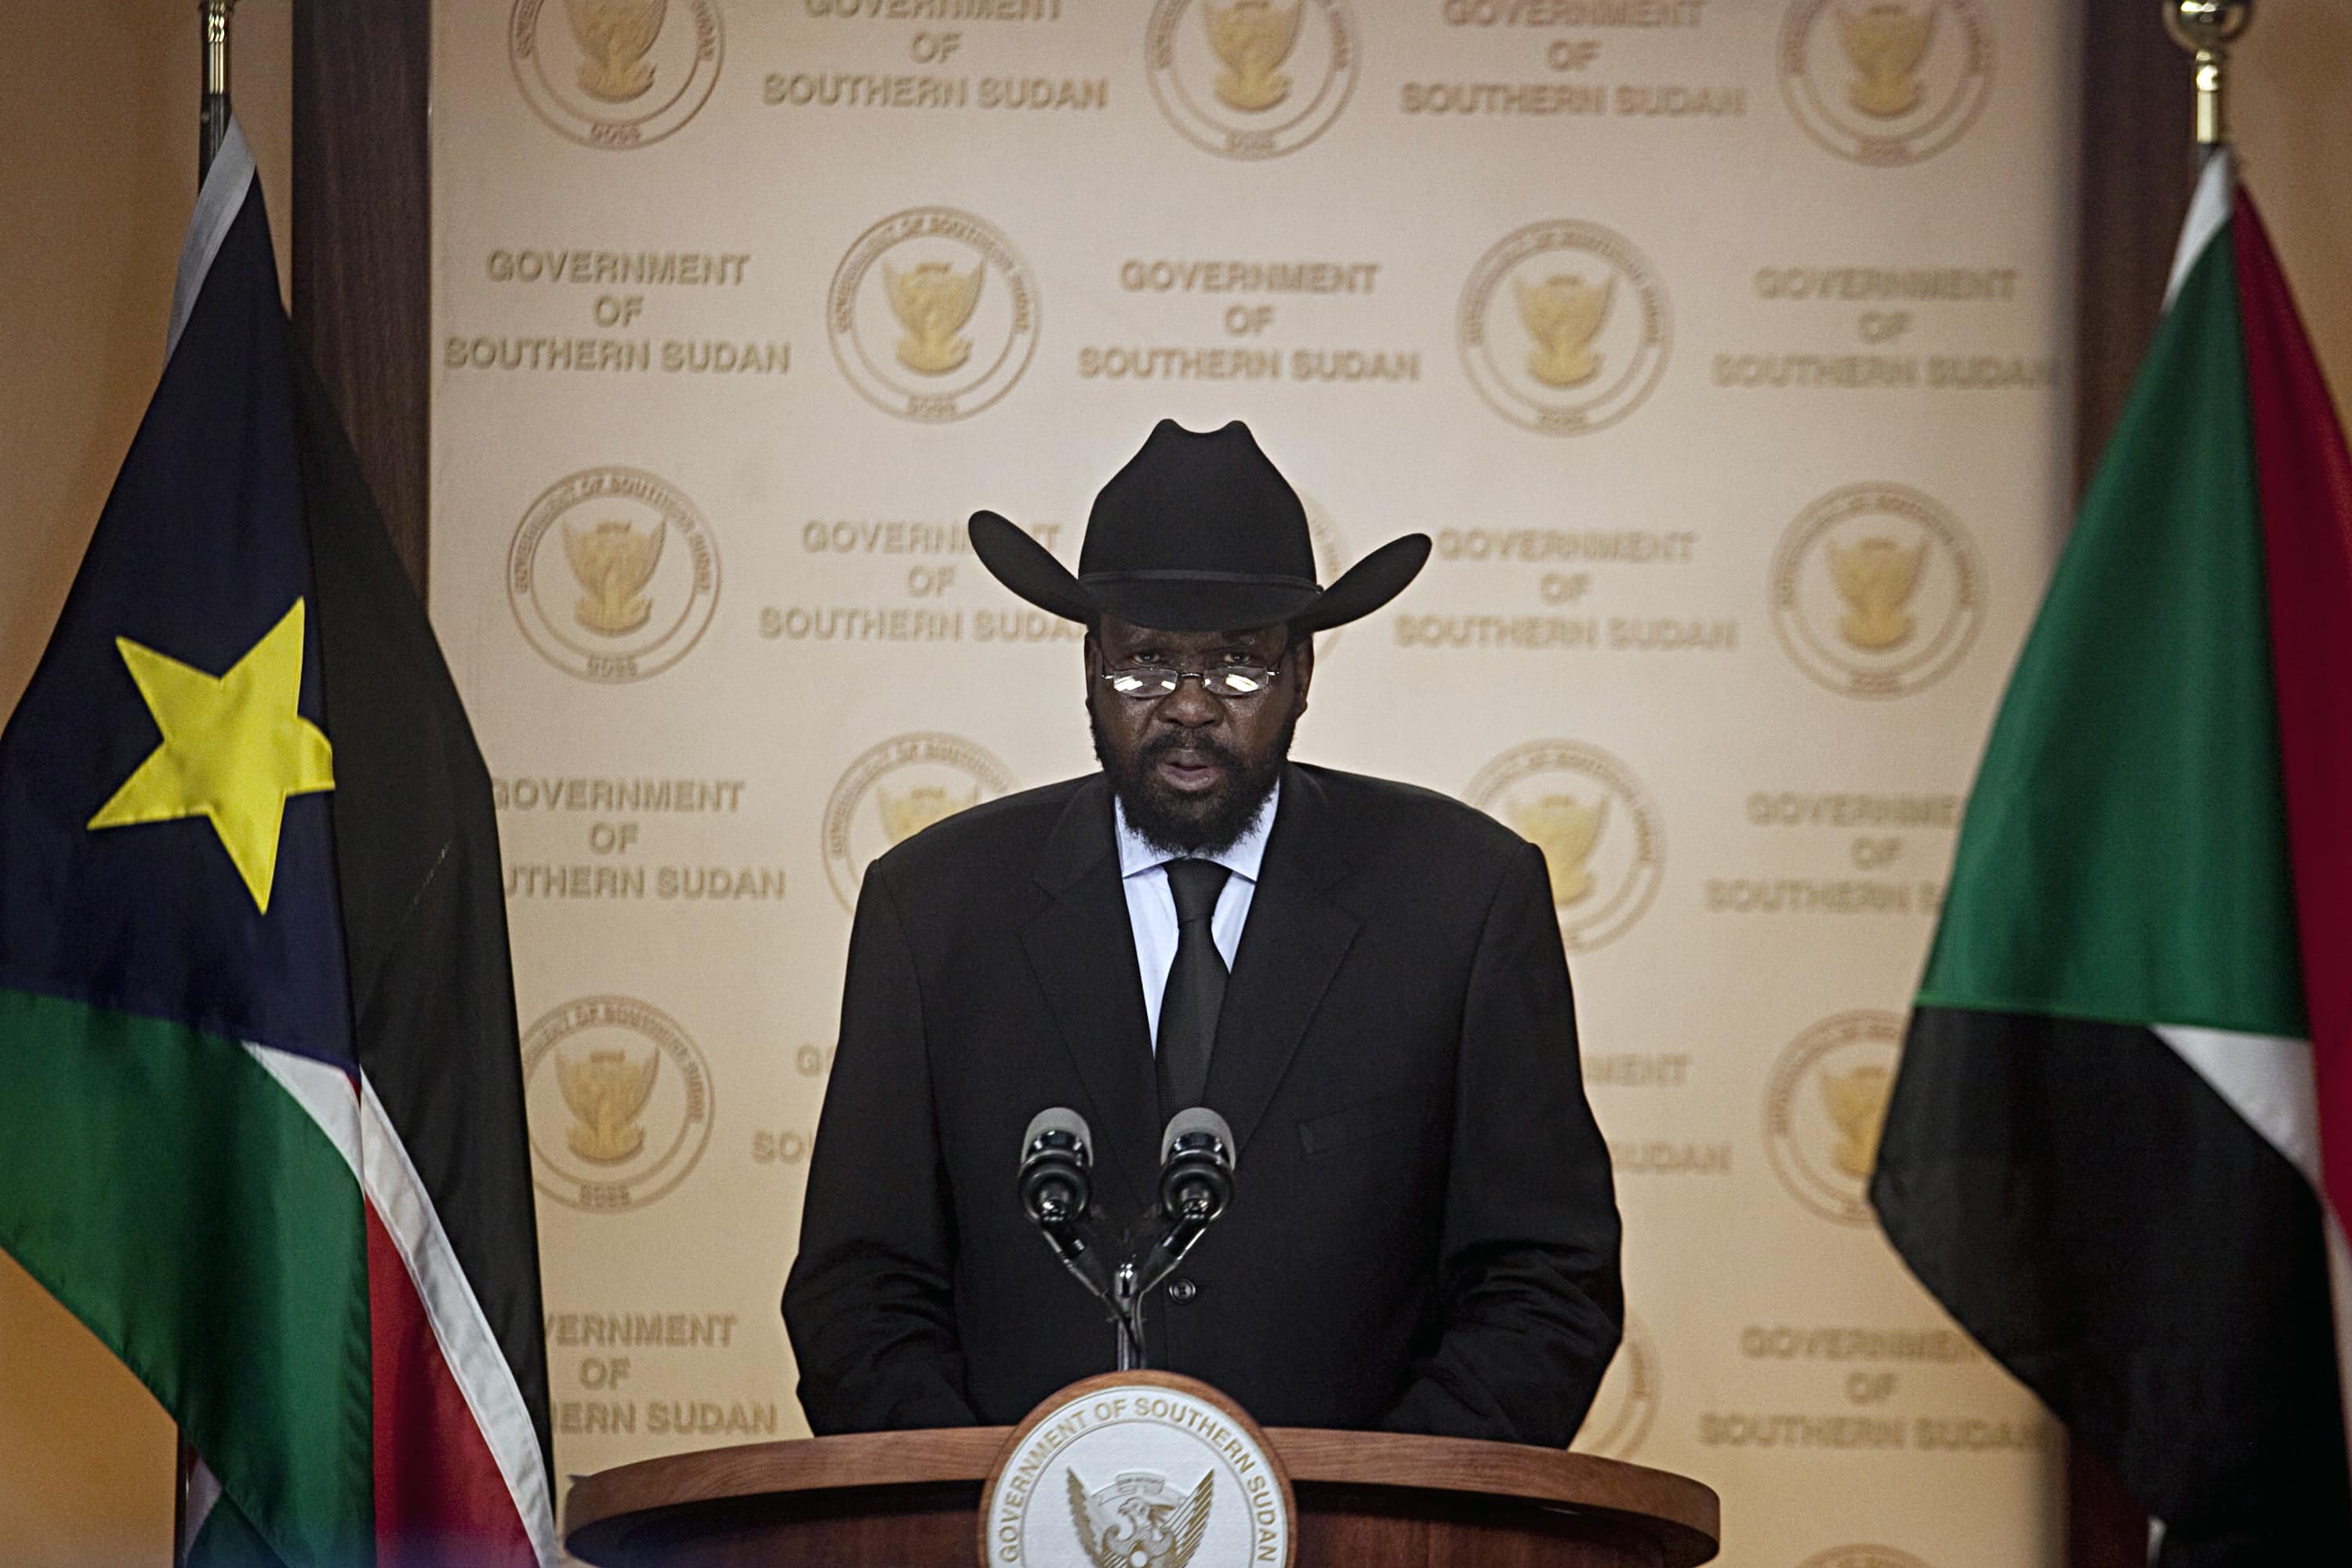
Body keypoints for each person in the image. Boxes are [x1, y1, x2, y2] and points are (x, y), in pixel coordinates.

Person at [783, 419, 1621, 1443]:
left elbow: (1546, 1280)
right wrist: (994, 1516)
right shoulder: (936, 910)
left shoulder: (1463, 900)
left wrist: (1377, 1523)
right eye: (1144, 665)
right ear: (1089, 665)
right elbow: (858, 1294)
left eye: (1236, 667)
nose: (1187, 707)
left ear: (1303, 672)